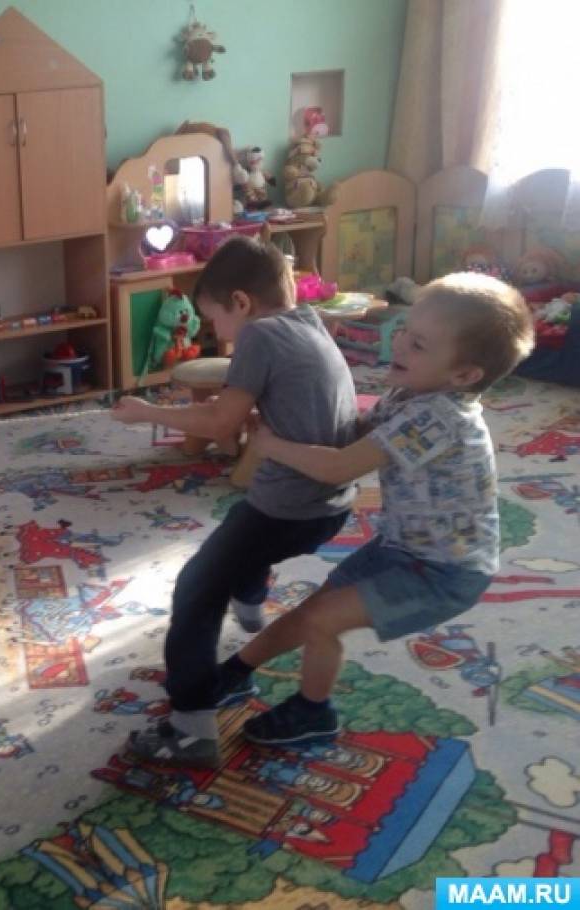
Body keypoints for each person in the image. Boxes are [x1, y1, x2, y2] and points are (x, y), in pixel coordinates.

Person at [220, 273, 534, 746]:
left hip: (445, 573)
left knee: (324, 621)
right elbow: (351, 434)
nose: (399, 343)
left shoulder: (441, 417)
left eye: (419, 344)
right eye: (405, 330)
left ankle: (313, 713)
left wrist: (271, 445)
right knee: (314, 610)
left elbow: (340, 466)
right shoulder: (409, 394)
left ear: (464, 376)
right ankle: (235, 671)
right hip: (399, 547)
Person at [110, 236, 358, 767]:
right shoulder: (308, 322)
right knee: (239, 545)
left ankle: (190, 728)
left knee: (196, 588)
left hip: (287, 508)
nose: (217, 333)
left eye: (215, 320)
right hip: (331, 505)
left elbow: (221, 424)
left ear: (241, 302)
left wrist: (148, 412)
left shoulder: (260, 335)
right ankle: (249, 594)